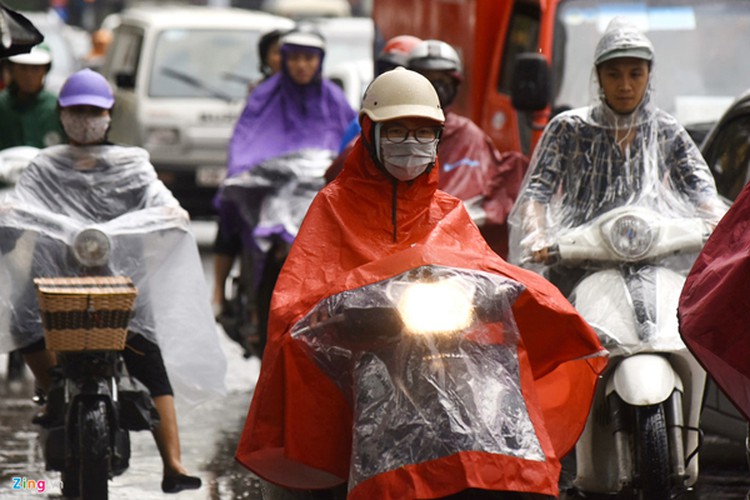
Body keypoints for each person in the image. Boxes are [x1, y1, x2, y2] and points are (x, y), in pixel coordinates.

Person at [235, 67, 607, 499]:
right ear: (371, 134)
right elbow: (298, 300)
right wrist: (342, 313)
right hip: (361, 359)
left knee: (500, 409)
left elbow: (482, 269)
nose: (410, 144)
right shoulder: (332, 206)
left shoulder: (448, 210)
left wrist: (515, 294)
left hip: (445, 360)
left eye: (422, 132)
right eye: (397, 132)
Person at [0, 68, 227, 493]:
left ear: (108, 115)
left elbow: (164, 204)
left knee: (147, 353)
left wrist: (169, 217)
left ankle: (172, 464)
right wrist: (10, 221)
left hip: (122, 282)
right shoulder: (43, 166)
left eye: (93, 111)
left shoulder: (133, 164)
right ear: (62, 115)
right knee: (23, 323)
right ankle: (52, 391)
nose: (85, 119)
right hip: (55, 281)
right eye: (76, 111)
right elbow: (19, 207)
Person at [508, 17, 726, 292]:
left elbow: (699, 188)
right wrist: (536, 234)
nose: (625, 85)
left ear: (649, 75)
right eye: (614, 74)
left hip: (651, 259)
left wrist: (718, 221)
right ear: (598, 76)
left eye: (635, 74)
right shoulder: (569, 129)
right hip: (578, 263)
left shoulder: (666, 130)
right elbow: (537, 192)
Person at [211, 26, 356, 335]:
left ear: (320, 60)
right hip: (271, 190)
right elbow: (244, 142)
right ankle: (224, 296)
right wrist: (242, 172)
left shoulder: (333, 97)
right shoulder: (263, 94)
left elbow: (351, 144)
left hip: (318, 193)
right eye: (295, 58)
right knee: (230, 210)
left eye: (309, 58)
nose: (302, 65)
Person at [406, 39, 529, 259]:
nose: (435, 88)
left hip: (456, 253)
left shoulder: (469, 134)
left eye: (443, 80)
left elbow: (496, 185)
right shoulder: (391, 130)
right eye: (427, 79)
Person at [324, 34, 422, 184]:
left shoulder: (441, 128)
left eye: (421, 132)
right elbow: (336, 177)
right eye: (395, 132)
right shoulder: (361, 126)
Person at [0, 43, 65, 150]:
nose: (28, 75)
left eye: (35, 68)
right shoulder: (2, 106)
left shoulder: (57, 108)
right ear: (12, 70)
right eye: (23, 68)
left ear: (45, 70)